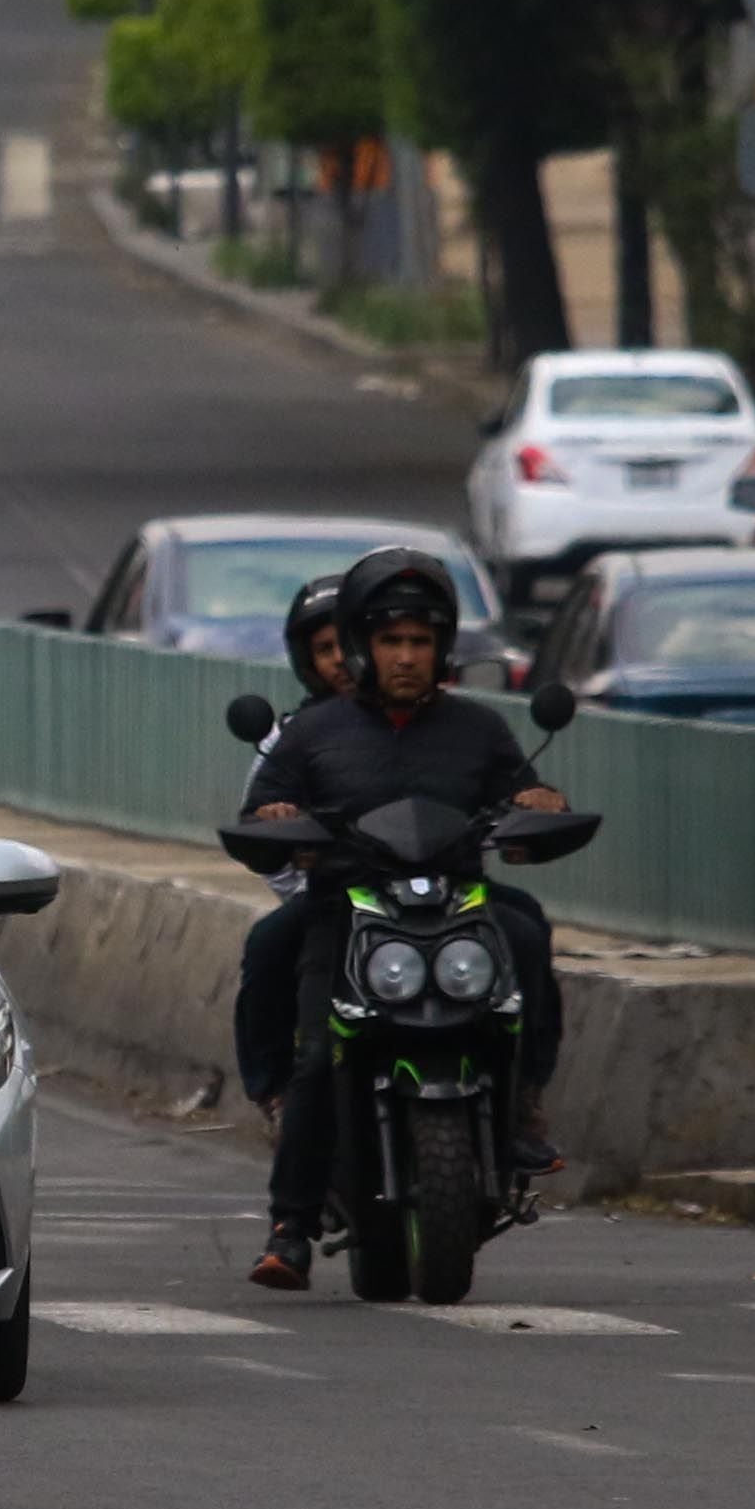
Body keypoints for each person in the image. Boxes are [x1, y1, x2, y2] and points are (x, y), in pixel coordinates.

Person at [239, 547, 569, 1289]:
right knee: (318, 1055)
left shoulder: (479, 728)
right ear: (362, 646)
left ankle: (522, 1106)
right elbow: (257, 811)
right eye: (391, 641)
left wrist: (537, 802)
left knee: (526, 930)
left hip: (458, 904)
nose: (406, 657)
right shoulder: (312, 733)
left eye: (420, 642)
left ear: (442, 648)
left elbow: (522, 795)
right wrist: (275, 813)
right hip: (349, 909)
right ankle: (289, 1223)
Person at [229, 573, 352, 1119]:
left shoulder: (449, 721)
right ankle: (277, 1091)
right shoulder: (296, 736)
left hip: (440, 894)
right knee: (269, 944)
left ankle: (521, 1097)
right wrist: (288, 839)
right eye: (326, 650)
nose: (342, 661)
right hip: (339, 898)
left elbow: (497, 785)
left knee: (521, 929)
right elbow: (257, 822)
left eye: (351, 643)